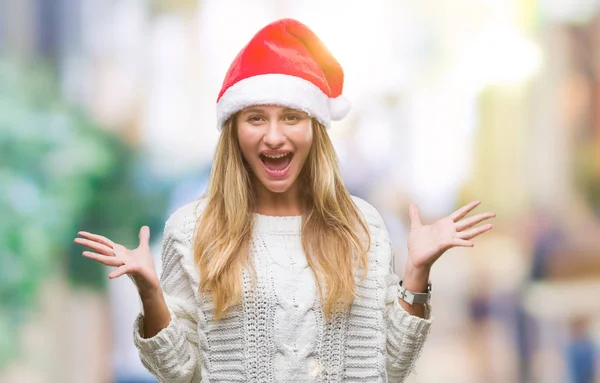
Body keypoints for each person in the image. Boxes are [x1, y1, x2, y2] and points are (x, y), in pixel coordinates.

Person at [74, 18, 495, 382]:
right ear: (234, 131)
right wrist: (150, 293)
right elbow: (180, 372)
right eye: (256, 118)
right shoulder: (192, 230)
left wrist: (417, 273)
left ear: (314, 129)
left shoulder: (361, 226)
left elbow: (390, 367)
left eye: (291, 117)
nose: (274, 136)